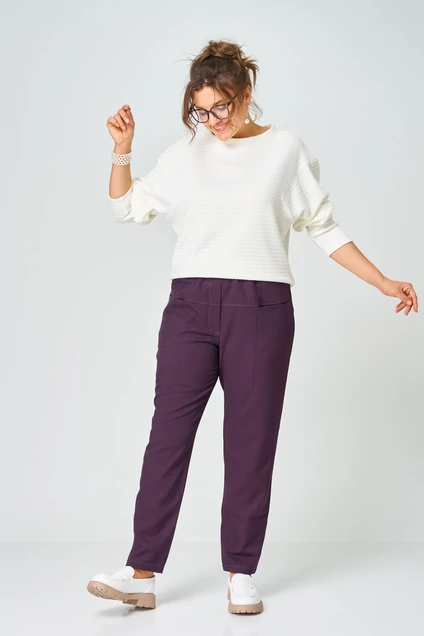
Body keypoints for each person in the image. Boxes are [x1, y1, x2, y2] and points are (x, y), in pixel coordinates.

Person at [86, 39, 418, 615]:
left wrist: (382, 281)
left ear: (245, 95)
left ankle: (241, 572)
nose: (212, 120)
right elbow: (126, 207)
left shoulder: (285, 150)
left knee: (250, 442)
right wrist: (122, 151)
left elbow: (324, 228)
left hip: (262, 309)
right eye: (201, 111)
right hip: (189, 308)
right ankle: (141, 573)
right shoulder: (184, 155)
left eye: (221, 106)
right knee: (167, 438)